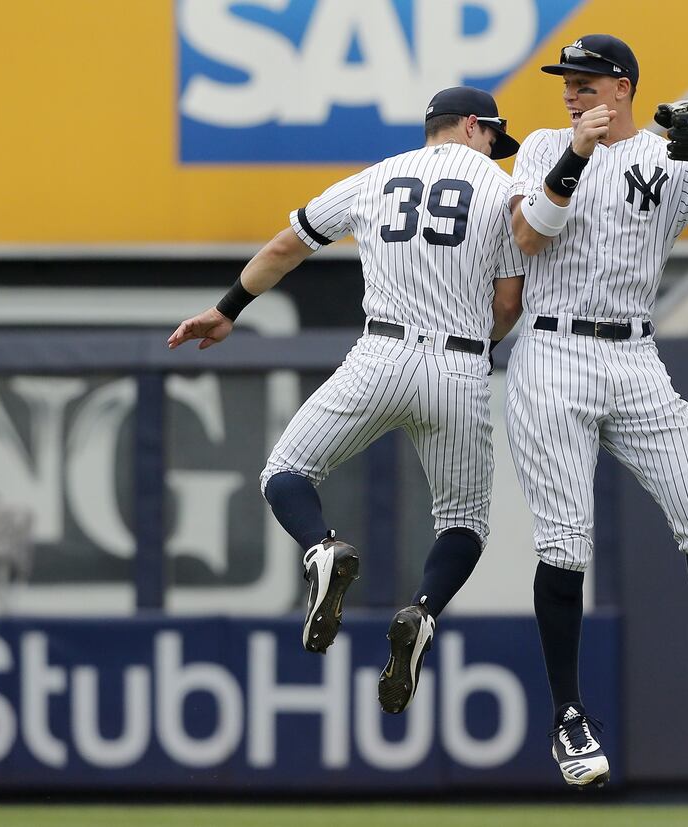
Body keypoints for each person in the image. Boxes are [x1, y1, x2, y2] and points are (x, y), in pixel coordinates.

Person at [167, 87, 525, 715]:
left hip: (380, 354)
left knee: (285, 472)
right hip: (460, 365)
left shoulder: (375, 178)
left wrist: (227, 311)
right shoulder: (504, 193)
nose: (496, 150)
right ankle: (422, 613)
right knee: (463, 524)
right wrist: (478, 343)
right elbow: (507, 304)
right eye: (494, 137)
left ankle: (320, 548)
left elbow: (285, 248)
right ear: (473, 126)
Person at [505, 34, 688, 789]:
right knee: (565, 543)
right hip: (553, 349)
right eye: (567, 81)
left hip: (635, 355)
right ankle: (568, 714)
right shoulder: (542, 146)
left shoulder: (669, 157)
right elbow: (529, 235)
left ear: (623, 87)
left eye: (586, 81)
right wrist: (575, 153)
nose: (572, 92)